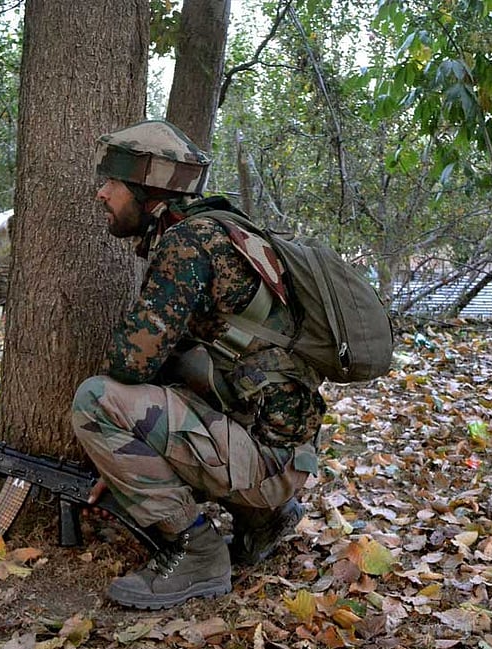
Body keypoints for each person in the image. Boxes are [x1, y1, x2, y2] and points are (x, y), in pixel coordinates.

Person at [71, 120, 326, 609]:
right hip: (286, 453)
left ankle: (197, 553)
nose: (101, 194)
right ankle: (263, 518)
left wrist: (128, 456)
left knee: (96, 401)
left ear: (149, 193)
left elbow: (130, 364)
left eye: (111, 184)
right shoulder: (225, 231)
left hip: (265, 461)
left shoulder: (188, 244)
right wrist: (128, 464)